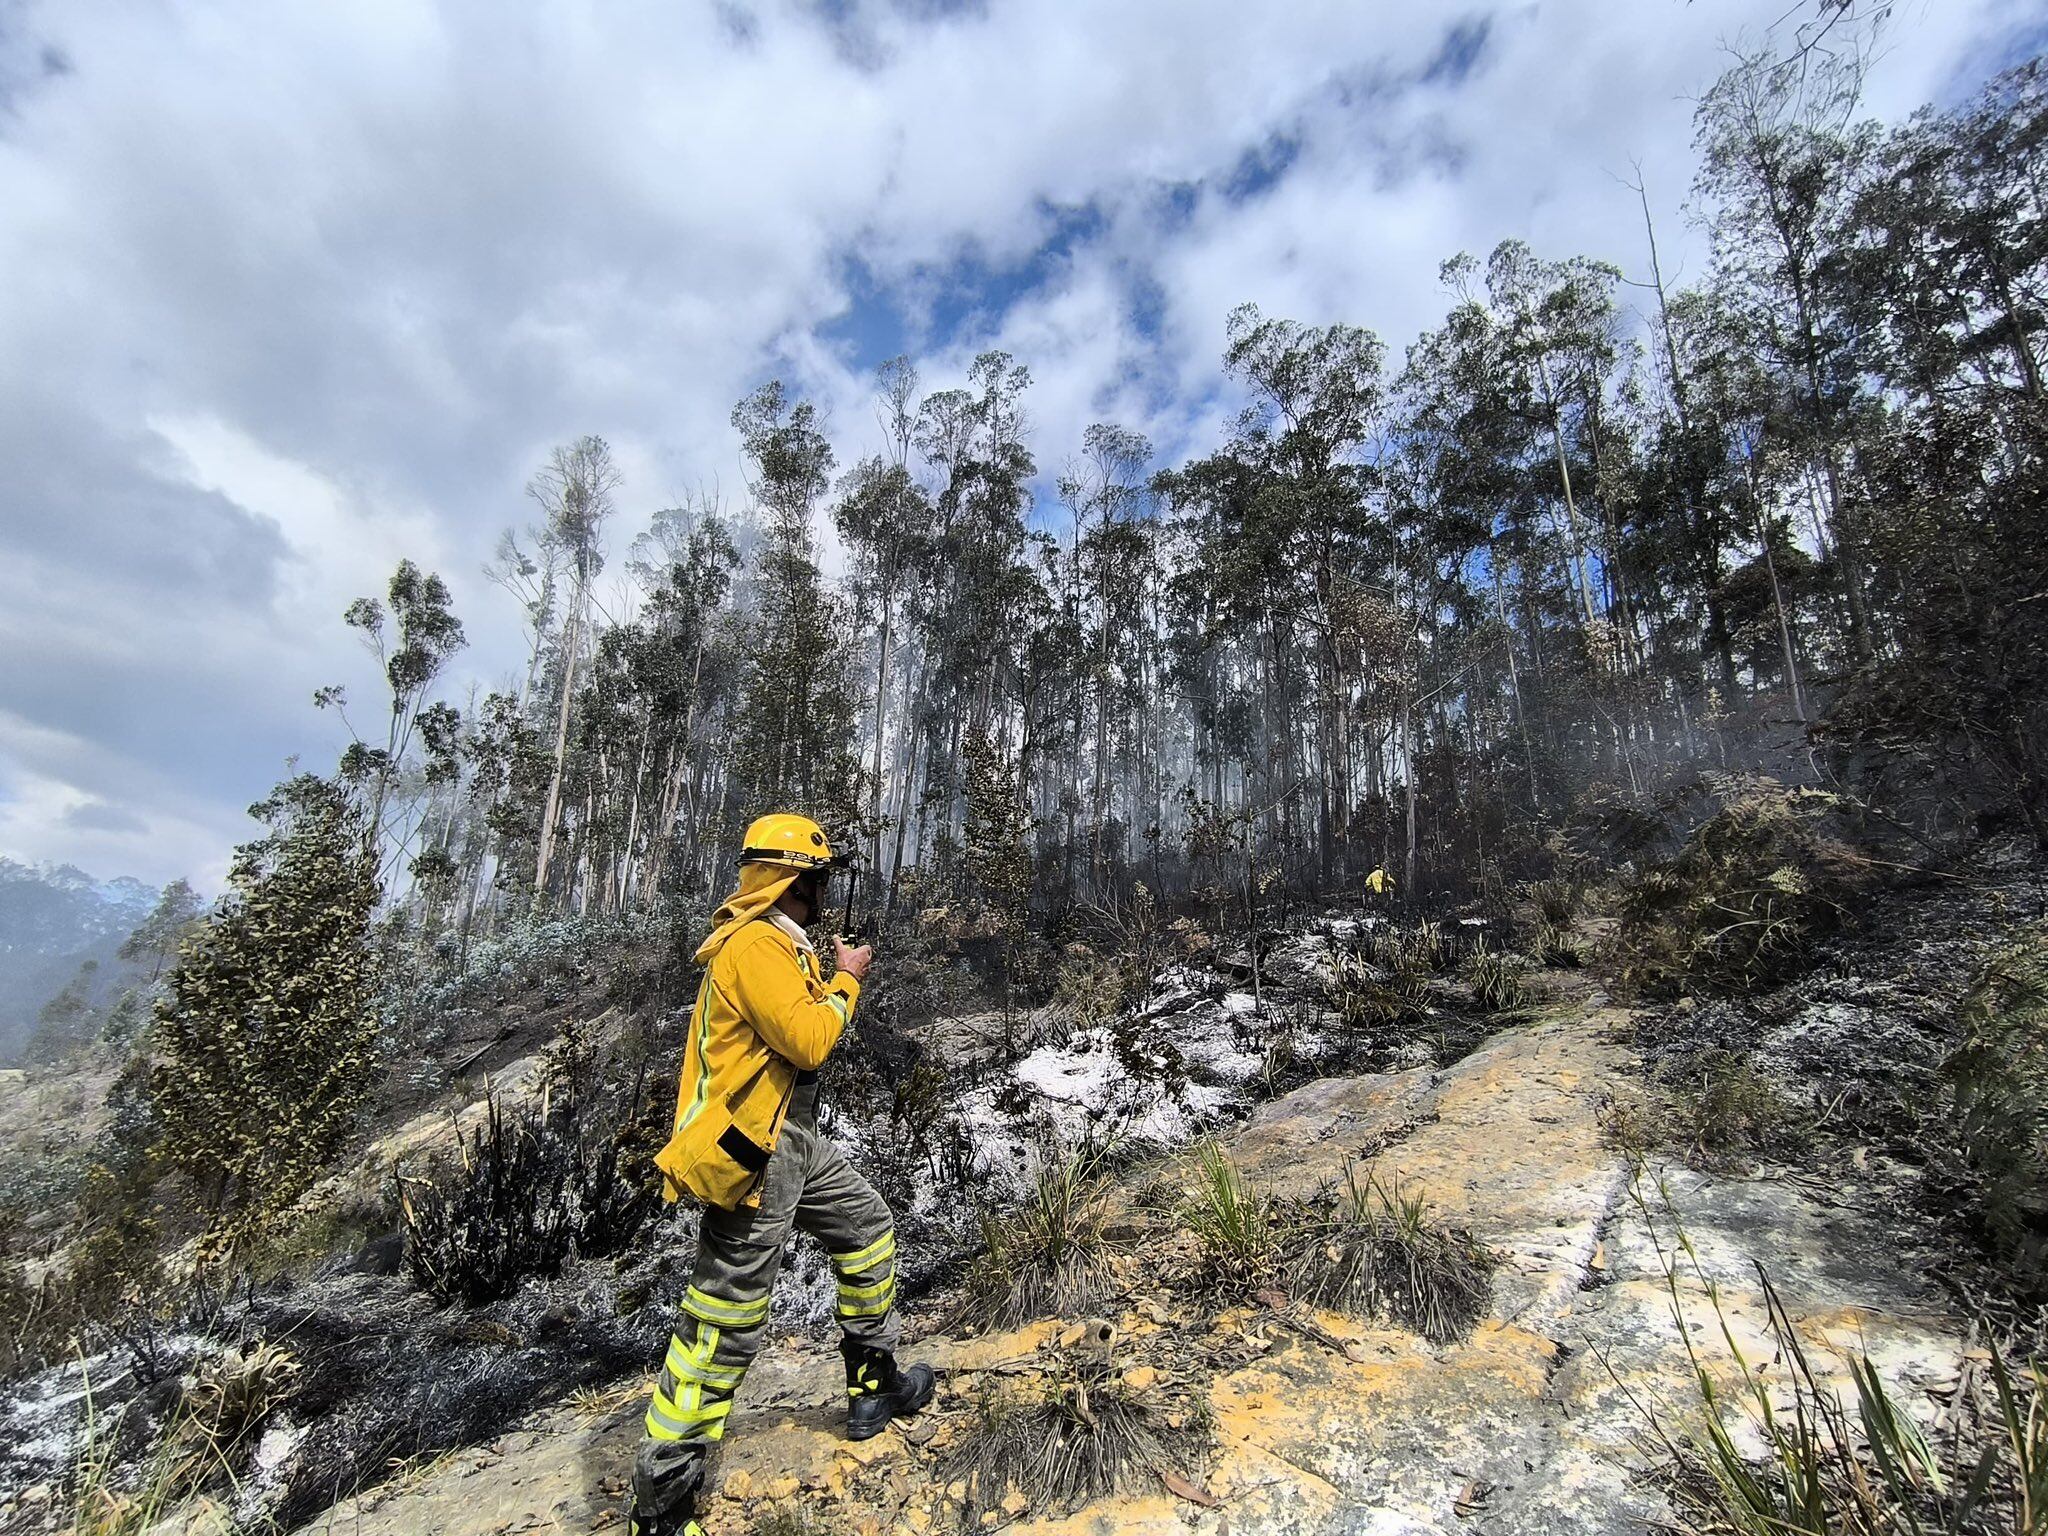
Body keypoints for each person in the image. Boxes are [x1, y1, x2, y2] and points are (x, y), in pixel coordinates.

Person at [628, 813, 935, 1536]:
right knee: (726, 1309)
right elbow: (808, 1040)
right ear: (797, 881)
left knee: (866, 1228)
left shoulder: (777, 943)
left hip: (789, 1140)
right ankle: (662, 1501)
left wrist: (827, 978)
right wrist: (848, 983)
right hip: (754, 1150)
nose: (825, 893)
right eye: (819, 881)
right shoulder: (758, 944)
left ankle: (872, 1384)